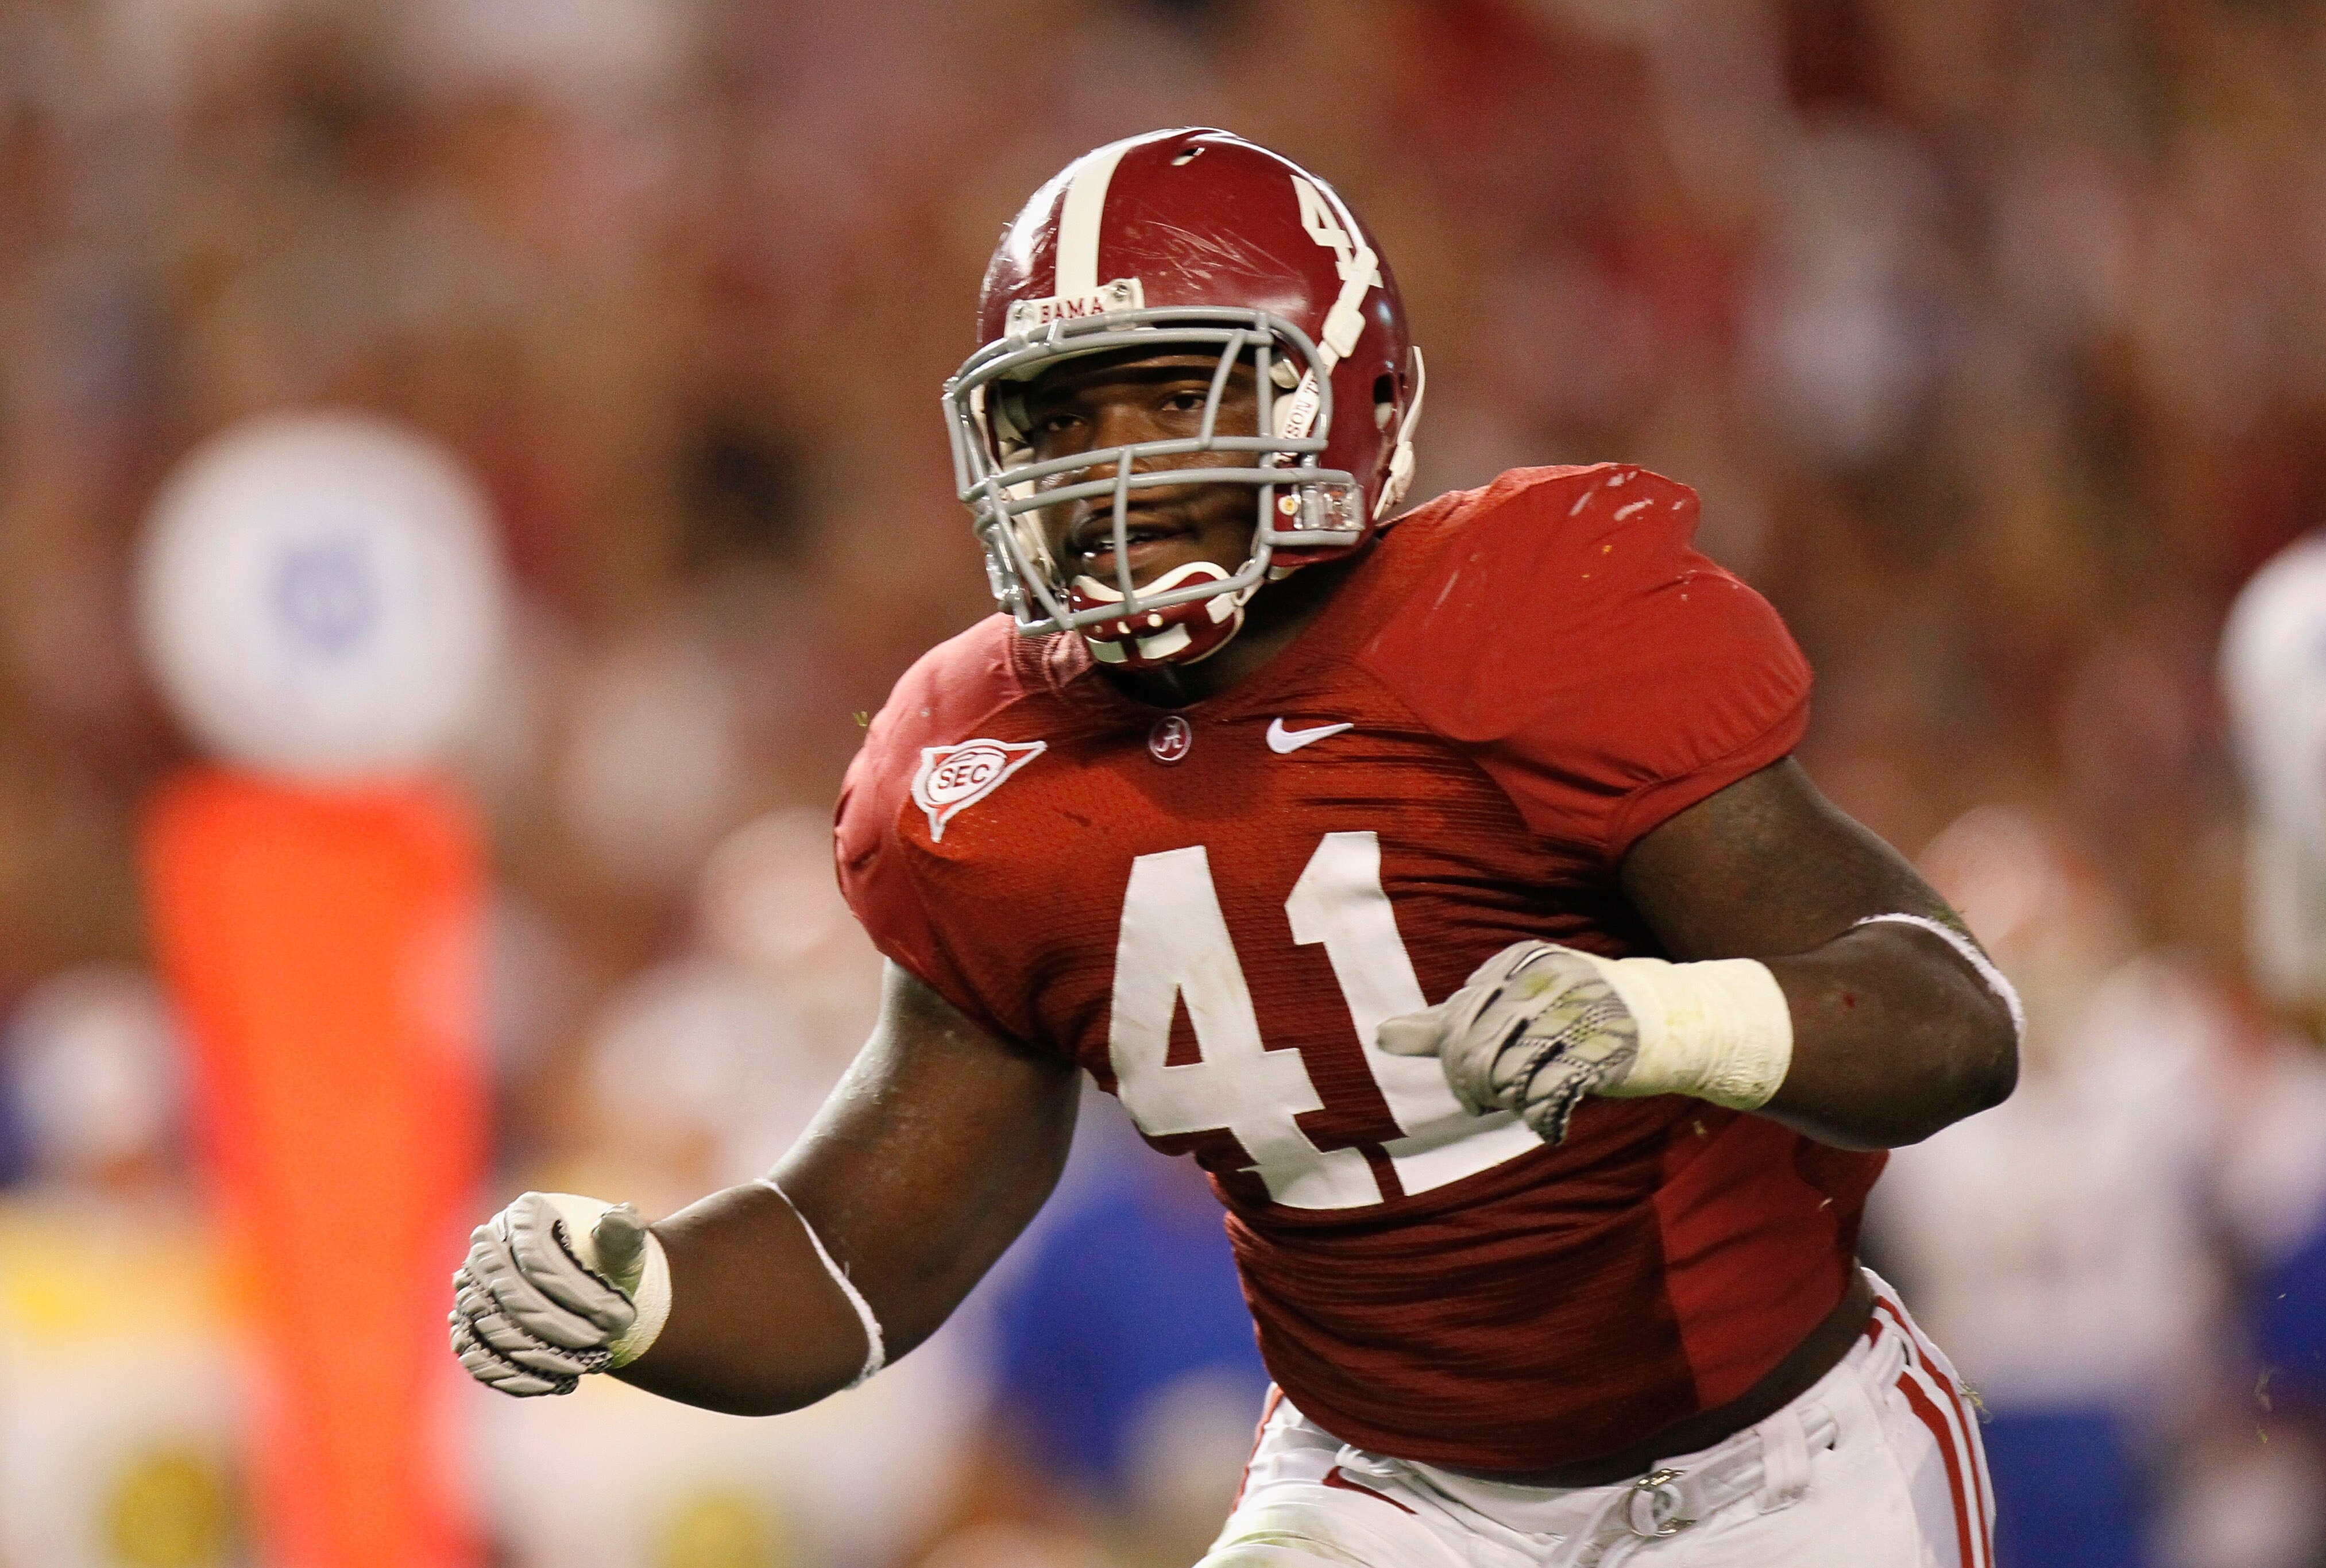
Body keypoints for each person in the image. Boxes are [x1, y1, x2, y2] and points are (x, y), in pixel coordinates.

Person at [449, 129, 2020, 1567]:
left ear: (1344, 393)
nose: (1110, 465)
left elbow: (1951, 1021)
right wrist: (640, 1291)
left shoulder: (1528, 623)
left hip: (1774, 1473)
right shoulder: (984, 767)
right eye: (1061, 417)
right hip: (1390, 1495)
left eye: (1174, 394)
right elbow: (863, 1252)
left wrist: (1671, 1019)